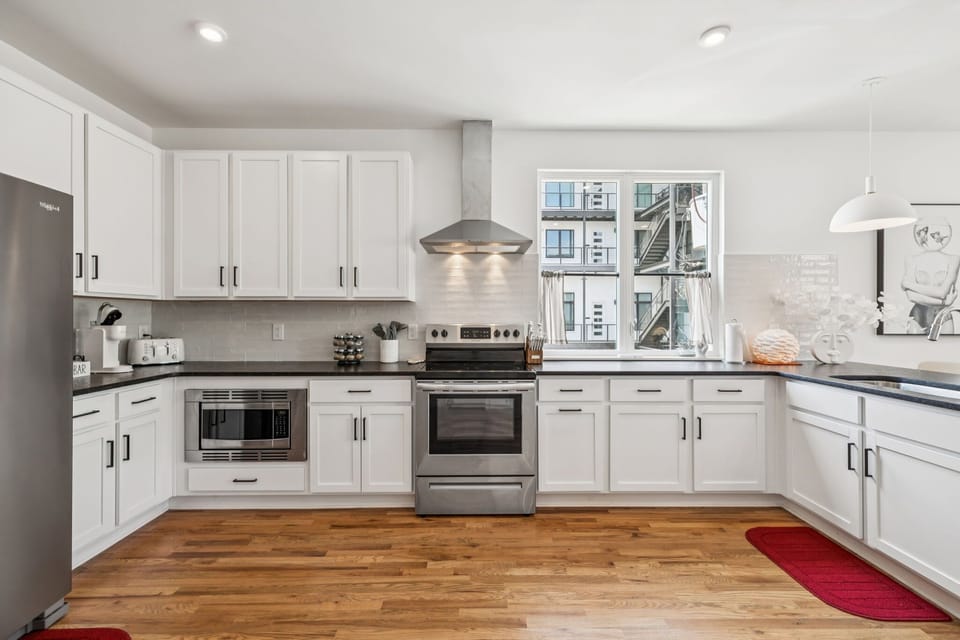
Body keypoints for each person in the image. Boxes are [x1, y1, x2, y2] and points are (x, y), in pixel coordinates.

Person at [901, 217, 960, 334]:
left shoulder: (954, 259)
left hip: (943, 316)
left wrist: (908, 284)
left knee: (947, 346)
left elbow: (942, 292)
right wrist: (944, 302)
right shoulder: (911, 259)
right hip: (918, 315)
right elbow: (911, 297)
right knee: (911, 346)